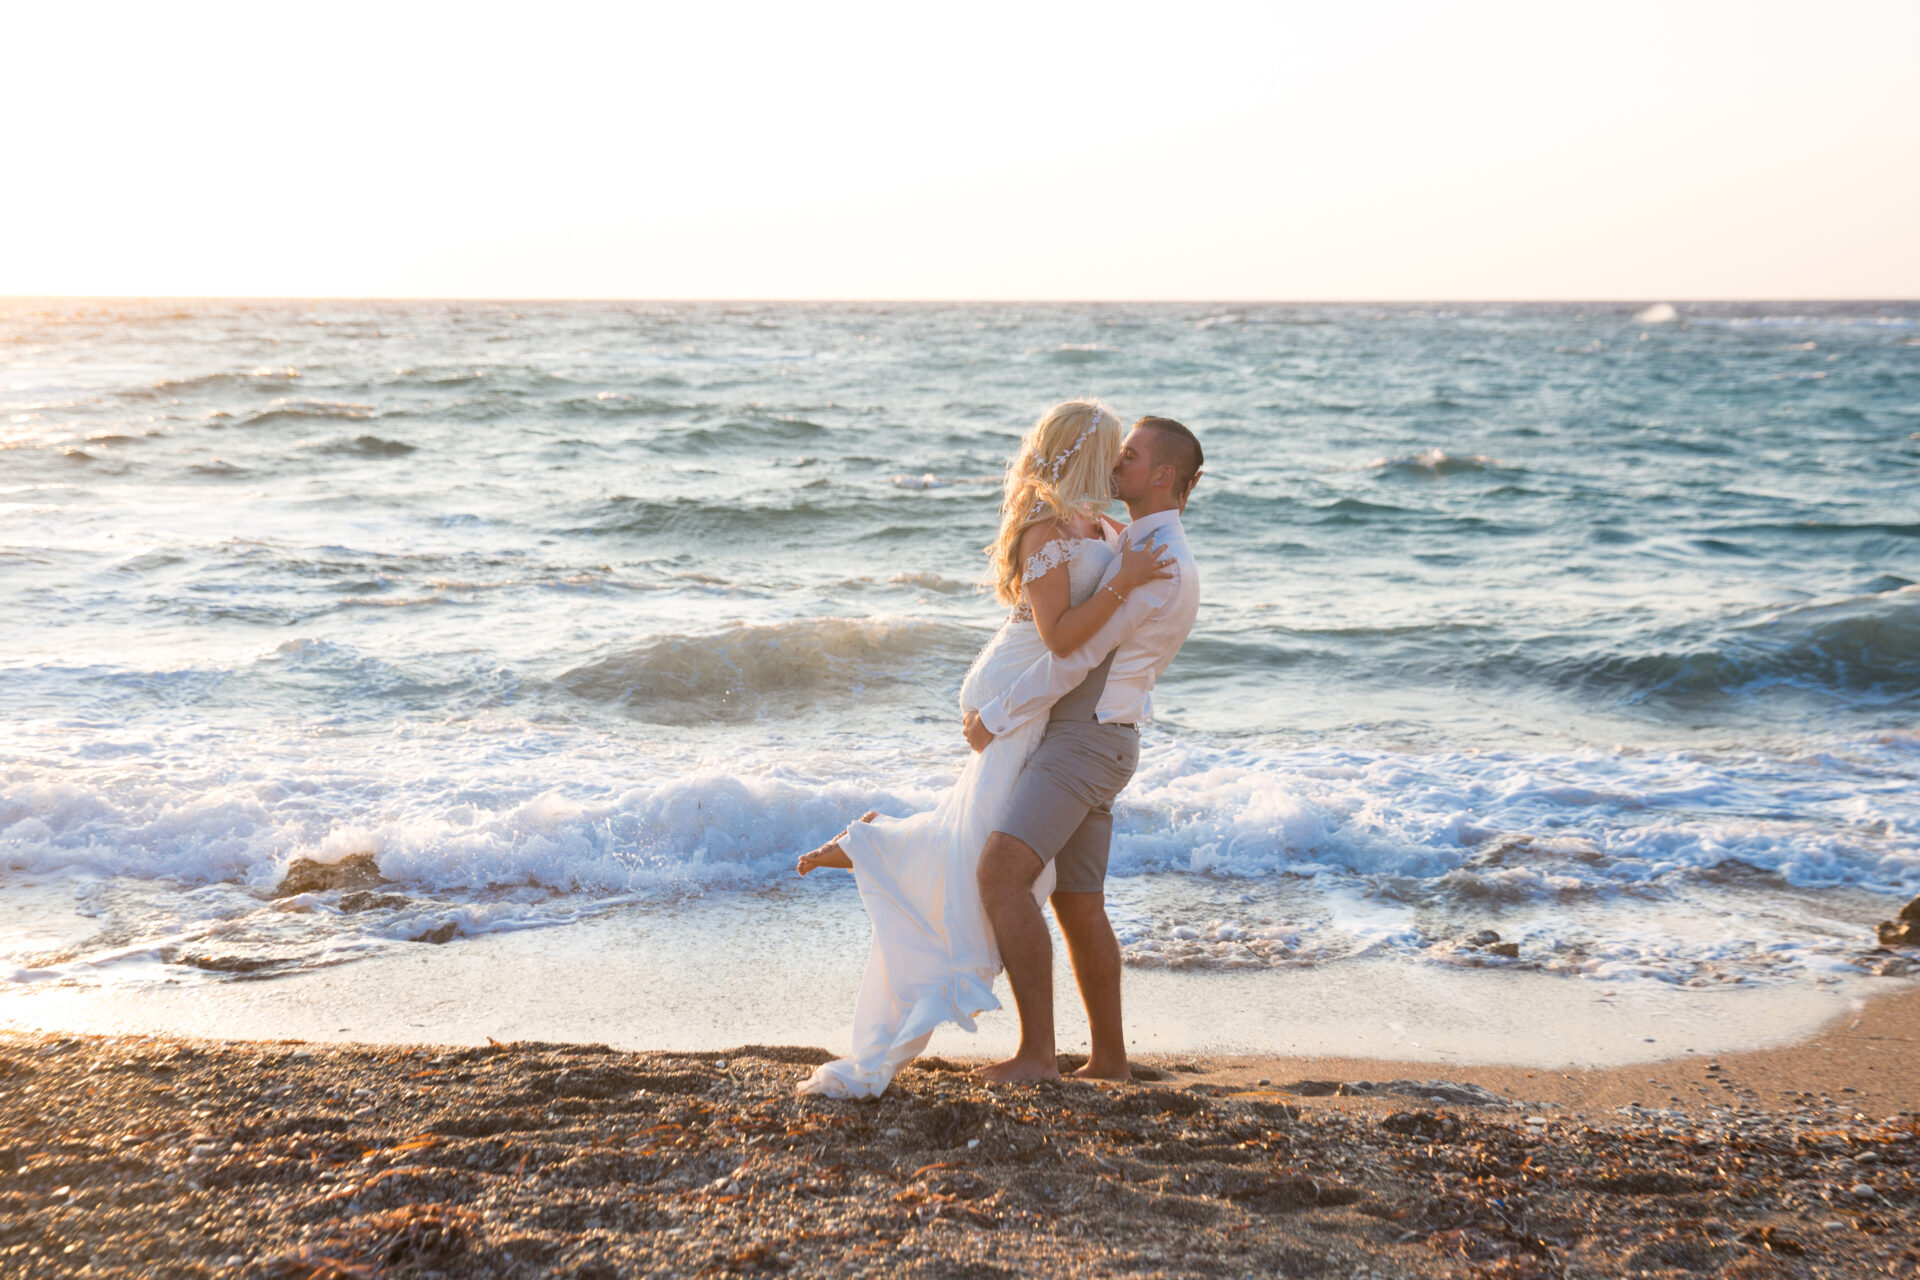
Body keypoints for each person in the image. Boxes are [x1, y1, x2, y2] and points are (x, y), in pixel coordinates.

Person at [793, 400, 1175, 1099]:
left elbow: (1119, 623)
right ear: (1086, 453)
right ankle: (876, 846)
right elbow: (1062, 638)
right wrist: (999, 713)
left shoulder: (1102, 525)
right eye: (1116, 451)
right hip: (1020, 700)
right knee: (991, 859)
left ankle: (874, 842)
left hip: (1060, 719)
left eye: (1131, 454)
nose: (1122, 462)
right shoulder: (1047, 528)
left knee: (1006, 862)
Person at [964, 415, 1203, 1083]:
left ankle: (1038, 1055)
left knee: (1000, 875)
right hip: (1105, 737)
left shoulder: (1150, 563)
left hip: (1083, 739)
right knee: (1078, 903)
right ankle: (1110, 1061)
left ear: (1160, 477)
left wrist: (996, 715)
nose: (1114, 465)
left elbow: (1074, 652)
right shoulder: (1145, 543)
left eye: (1127, 457)